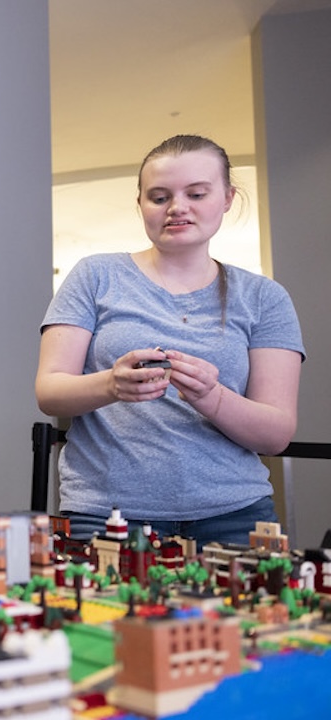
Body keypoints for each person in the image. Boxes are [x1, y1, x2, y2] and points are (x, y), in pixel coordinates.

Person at [35, 134, 303, 546]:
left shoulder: (264, 297)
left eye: (196, 193)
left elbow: (276, 434)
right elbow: (50, 392)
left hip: (235, 515)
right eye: (159, 197)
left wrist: (211, 395)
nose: (177, 208)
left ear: (227, 198)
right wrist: (111, 384)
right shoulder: (95, 276)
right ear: (140, 203)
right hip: (106, 513)